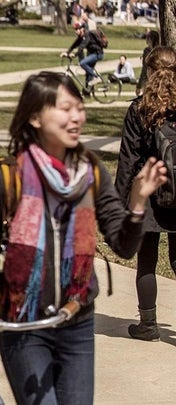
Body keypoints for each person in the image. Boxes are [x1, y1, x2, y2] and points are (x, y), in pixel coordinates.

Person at [0, 71, 167, 405]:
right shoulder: (8, 175)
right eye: (65, 108)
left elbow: (124, 245)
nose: (77, 116)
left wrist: (138, 204)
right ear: (36, 117)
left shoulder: (91, 172)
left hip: (76, 320)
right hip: (23, 324)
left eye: (78, 108)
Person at [115, 46, 176, 342]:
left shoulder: (139, 110)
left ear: (149, 71)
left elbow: (127, 162)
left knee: (147, 260)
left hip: (149, 195)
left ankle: (148, 324)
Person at [61, 22, 105, 90]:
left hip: (97, 54)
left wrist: (74, 55)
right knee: (88, 73)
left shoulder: (87, 35)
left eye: (76, 29)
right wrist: (67, 53)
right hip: (92, 54)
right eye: (75, 29)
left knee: (82, 63)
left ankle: (97, 77)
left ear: (81, 29)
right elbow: (74, 45)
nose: (75, 31)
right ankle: (88, 90)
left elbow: (81, 47)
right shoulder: (81, 36)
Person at [135, 30, 159, 96]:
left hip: (153, 80)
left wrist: (139, 86)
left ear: (150, 39)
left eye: (147, 38)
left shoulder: (154, 51)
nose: (146, 40)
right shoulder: (159, 50)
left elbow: (144, 69)